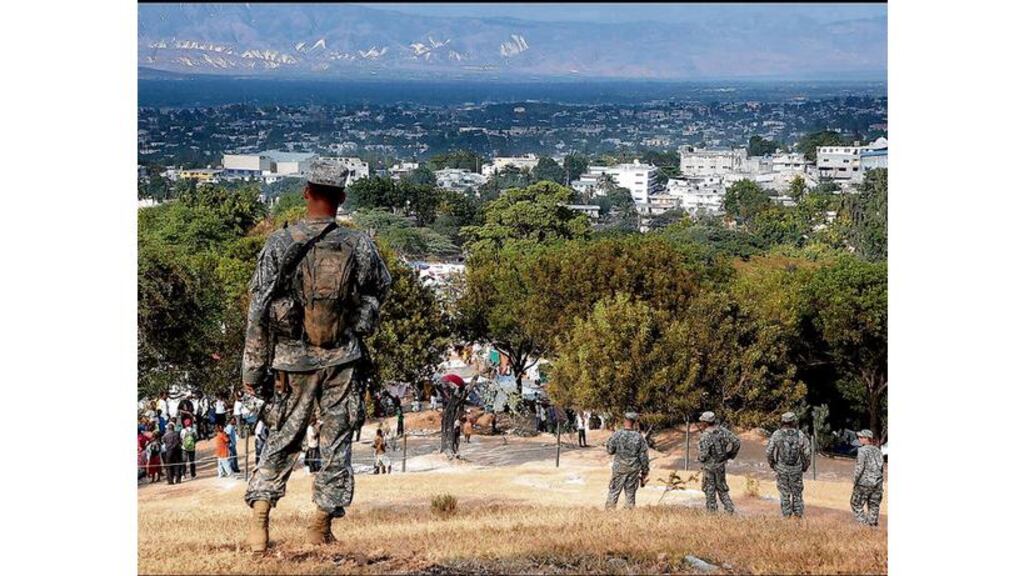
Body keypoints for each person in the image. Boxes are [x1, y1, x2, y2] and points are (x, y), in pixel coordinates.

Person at [242, 160, 392, 553]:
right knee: (336, 440)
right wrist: (360, 317)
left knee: (282, 437)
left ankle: (260, 522)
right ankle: (320, 525)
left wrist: (252, 370)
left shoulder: (279, 243)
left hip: (290, 362)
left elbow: (258, 311)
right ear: (341, 198)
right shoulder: (358, 244)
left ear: (306, 192)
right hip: (342, 358)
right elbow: (380, 288)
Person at [766, 411, 811, 518]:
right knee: (797, 493)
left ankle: (786, 516)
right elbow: (807, 454)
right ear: (794, 421)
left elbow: (769, 452)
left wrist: (773, 464)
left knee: (784, 493)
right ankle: (798, 516)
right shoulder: (800, 435)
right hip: (796, 468)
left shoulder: (777, 434)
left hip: (781, 468)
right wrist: (805, 466)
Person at [697, 411, 740, 514]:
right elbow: (736, 442)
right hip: (721, 466)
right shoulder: (722, 431)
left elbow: (703, 455)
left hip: (709, 468)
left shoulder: (705, 436)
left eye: (702, 421)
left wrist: (700, 459)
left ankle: (712, 514)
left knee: (710, 490)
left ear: (705, 422)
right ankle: (730, 510)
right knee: (722, 489)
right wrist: (730, 455)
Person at [605, 411, 649, 509]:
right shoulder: (639, 437)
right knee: (630, 494)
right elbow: (644, 456)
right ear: (634, 423)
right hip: (633, 470)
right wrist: (645, 471)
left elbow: (610, 450)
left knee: (614, 492)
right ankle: (629, 516)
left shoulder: (617, 435)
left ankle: (609, 515)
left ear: (625, 421)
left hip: (619, 469)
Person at [851, 429, 885, 526]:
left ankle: (864, 524)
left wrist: (855, 481)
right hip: (877, 483)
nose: (859, 439)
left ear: (867, 439)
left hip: (864, 483)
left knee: (856, 503)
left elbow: (859, 468)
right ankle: (872, 525)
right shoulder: (878, 451)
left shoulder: (862, 451)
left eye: (861, 437)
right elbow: (881, 467)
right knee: (874, 505)